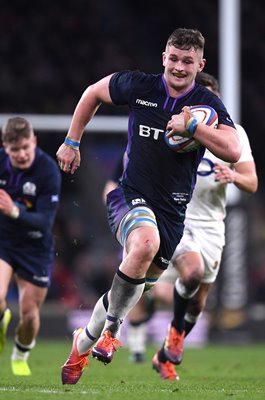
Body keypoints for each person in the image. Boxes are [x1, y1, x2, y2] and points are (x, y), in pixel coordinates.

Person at [56, 28, 241, 385]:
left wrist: (194, 128)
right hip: (130, 194)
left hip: (173, 213)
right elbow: (93, 92)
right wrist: (71, 141)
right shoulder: (140, 86)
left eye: (188, 61)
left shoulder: (207, 105)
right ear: (164, 58)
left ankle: (85, 340)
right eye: (173, 58)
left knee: (129, 288)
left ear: (199, 64)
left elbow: (232, 150)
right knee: (144, 242)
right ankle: (112, 331)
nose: (179, 67)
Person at [150, 72, 258, 380]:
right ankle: (161, 332)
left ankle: (165, 354)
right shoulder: (176, 129)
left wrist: (234, 176)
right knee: (192, 272)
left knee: (197, 306)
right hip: (177, 218)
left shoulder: (234, 134)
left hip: (213, 225)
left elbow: (252, 182)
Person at [0, 117, 61, 376]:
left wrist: (13, 211)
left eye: (26, 147)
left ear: (34, 141)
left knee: (29, 314)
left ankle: (20, 353)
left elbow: (46, 221)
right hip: (3, 241)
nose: (22, 154)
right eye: (15, 150)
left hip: (35, 244)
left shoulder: (47, 171)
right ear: (5, 147)